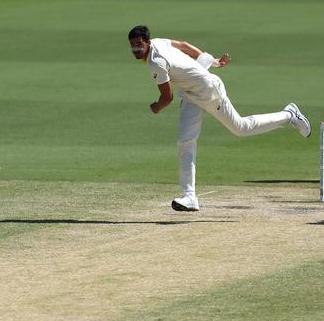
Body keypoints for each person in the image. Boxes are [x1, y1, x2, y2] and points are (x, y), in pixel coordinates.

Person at [128, 25, 311, 212]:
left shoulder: (156, 62)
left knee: (241, 128)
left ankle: (289, 115)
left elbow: (167, 98)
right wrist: (210, 60)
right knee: (185, 141)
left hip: (209, 92)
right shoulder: (159, 42)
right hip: (191, 93)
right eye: (132, 45)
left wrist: (156, 108)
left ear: (148, 42)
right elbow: (184, 46)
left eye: (139, 44)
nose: (135, 49)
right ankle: (189, 196)